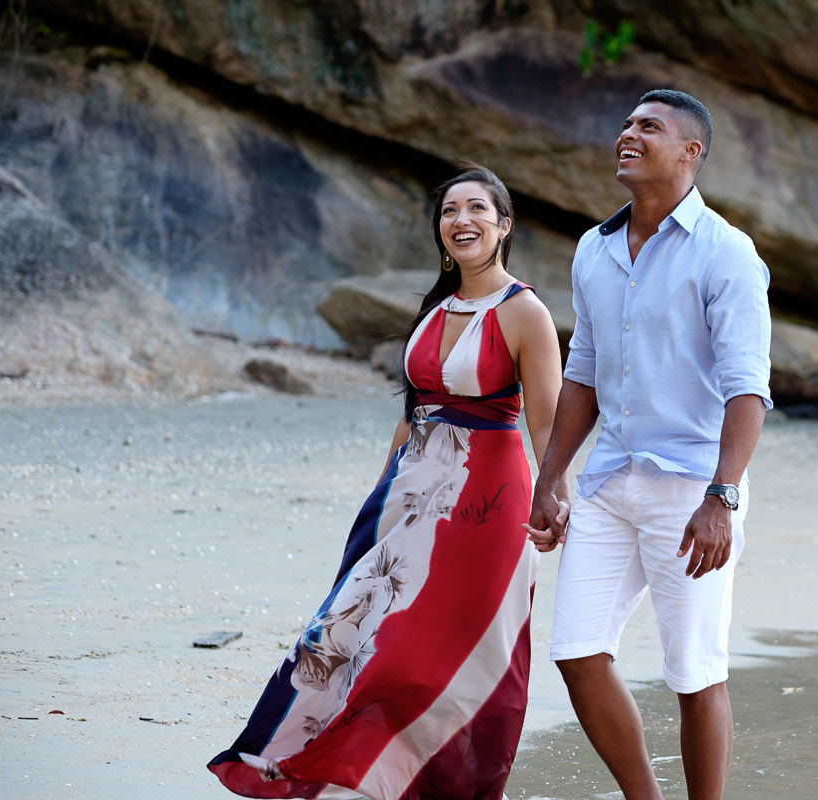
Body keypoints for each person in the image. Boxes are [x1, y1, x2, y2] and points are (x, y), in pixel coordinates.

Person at [209, 164, 563, 799]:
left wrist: (553, 500)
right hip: (409, 493)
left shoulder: (525, 313)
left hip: (483, 506)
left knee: (434, 652)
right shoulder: (435, 308)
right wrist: (377, 500)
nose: (463, 221)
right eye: (451, 211)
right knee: (352, 634)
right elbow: (412, 416)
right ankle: (352, 777)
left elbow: (548, 427)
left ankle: (441, 784)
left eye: (478, 209)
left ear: (504, 226)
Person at [525, 89, 772, 800]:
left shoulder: (725, 252)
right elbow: (583, 374)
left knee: (695, 671)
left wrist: (722, 496)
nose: (627, 135)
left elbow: (747, 387)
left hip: (693, 488)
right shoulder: (594, 249)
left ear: (690, 152)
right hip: (609, 483)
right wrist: (551, 477)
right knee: (576, 651)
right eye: (627, 124)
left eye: (649, 127)